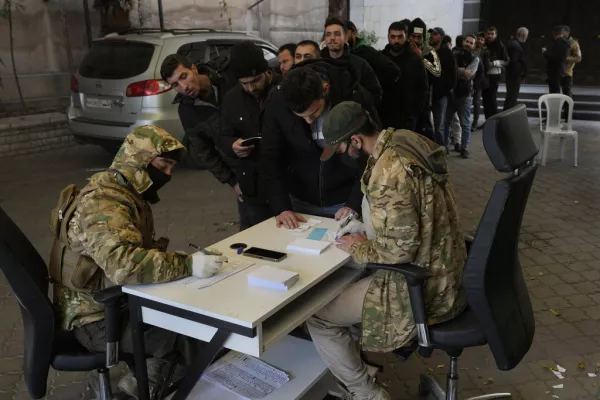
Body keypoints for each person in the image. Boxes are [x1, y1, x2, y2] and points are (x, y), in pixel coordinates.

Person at [49, 126, 226, 397]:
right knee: (196, 335)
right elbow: (125, 265)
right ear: (138, 159)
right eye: (164, 164)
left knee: (194, 311)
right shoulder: (103, 203)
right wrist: (189, 266)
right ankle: (137, 391)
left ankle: (146, 376)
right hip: (94, 319)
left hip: (112, 303)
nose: (168, 174)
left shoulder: (120, 191)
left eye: (172, 168)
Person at [307, 101, 466, 400]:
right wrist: (370, 229)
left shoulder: (388, 173)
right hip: (446, 269)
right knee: (346, 287)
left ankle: (365, 393)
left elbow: (398, 253)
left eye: (342, 149)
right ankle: (360, 366)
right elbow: (412, 214)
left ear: (355, 140)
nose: (345, 156)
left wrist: (360, 246)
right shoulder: (405, 140)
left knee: (318, 317)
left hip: (423, 288)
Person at [260, 59, 375, 228]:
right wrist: (281, 207)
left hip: (345, 199)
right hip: (300, 200)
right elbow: (270, 156)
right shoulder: (278, 100)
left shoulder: (352, 95)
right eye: (300, 117)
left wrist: (354, 203)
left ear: (325, 90)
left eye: (313, 114)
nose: (308, 121)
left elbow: (368, 153)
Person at [218, 42, 279, 230]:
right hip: (252, 187)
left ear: (266, 72)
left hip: (286, 183)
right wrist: (232, 145)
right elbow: (223, 135)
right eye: (245, 84)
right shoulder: (231, 98)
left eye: (255, 81)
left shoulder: (283, 90)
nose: (251, 88)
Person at [160, 54, 239, 196]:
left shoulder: (227, 78)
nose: (184, 87)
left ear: (194, 69)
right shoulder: (187, 112)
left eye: (183, 76)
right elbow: (205, 153)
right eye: (175, 84)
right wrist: (233, 182)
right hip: (242, 173)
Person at [344, 20, 401, 129]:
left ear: (353, 33)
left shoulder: (366, 52)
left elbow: (393, 70)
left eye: (343, 33)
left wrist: (372, 84)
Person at [320, 17, 383, 107]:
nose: (332, 38)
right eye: (328, 34)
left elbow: (376, 95)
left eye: (337, 34)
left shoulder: (360, 65)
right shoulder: (319, 64)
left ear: (345, 38)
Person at [381, 21, 428, 131]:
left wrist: (414, 112)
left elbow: (423, 87)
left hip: (408, 118)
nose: (396, 41)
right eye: (393, 37)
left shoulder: (415, 60)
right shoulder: (380, 59)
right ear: (388, 37)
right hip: (384, 115)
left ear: (406, 37)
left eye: (400, 37)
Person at [445, 34, 478, 158]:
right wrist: (462, 71)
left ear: (474, 46)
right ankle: (445, 146)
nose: (468, 44)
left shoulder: (475, 59)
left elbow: (469, 74)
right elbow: (449, 70)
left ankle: (464, 148)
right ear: (463, 42)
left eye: (471, 43)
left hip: (465, 94)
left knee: (465, 123)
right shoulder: (454, 54)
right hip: (451, 93)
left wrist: (458, 71)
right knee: (446, 121)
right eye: (467, 41)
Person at [408, 18, 442, 141]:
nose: (416, 40)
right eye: (413, 36)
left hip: (424, 98)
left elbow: (437, 72)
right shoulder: (403, 49)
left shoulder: (429, 51)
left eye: (419, 37)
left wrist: (420, 57)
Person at [428, 25, 458, 147]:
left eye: (434, 34)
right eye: (431, 34)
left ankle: (441, 149)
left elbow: (452, 75)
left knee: (439, 126)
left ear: (441, 36)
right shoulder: (429, 52)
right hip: (430, 94)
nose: (431, 36)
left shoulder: (446, 53)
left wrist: (443, 89)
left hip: (440, 95)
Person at [482, 26, 508, 120]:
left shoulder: (500, 45)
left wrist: (494, 63)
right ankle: (487, 120)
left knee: (492, 98)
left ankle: (493, 120)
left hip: (494, 74)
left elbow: (506, 61)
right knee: (485, 99)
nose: (490, 36)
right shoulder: (483, 44)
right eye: (488, 34)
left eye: (492, 34)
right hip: (484, 75)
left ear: (496, 35)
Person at [504, 27, 529, 111]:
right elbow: (514, 61)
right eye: (526, 36)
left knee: (511, 97)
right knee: (512, 97)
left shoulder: (514, 43)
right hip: (514, 75)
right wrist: (521, 72)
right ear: (523, 35)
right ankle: (507, 117)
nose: (526, 38)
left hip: (513, 75)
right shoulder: (515, 45)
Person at [543, 25, 570, 94]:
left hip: (556, 70)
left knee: (554, 90)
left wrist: (545, 52)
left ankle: (555, 104)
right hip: (557, 69)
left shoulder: (560, 42)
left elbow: (555, 56)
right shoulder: (562, 42)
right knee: (554, 89)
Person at [472, 32, 488, 130]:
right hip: (469, 79)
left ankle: (475, 122)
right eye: (479, 39)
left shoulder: (485, 52)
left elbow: (485, 68)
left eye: (482, 40)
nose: (480, 41)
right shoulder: (471, 49)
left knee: (477, 102)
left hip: (479, 80)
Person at [561, 25, 582, 101]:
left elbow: (578, 58)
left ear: (567, 32)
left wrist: (565, 58)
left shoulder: (574, 43)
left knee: (567, 93)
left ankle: (568, 111)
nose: (561, 33)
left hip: (567, 72)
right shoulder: (559, 41)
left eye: (563, 31)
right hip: (558, 71)